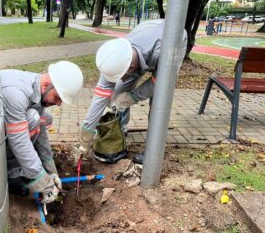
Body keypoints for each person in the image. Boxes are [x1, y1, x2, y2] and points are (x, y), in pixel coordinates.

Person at [72, 19, 187, 165]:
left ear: (131, 67)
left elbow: (160, 82)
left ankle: (153, 151)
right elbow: (100, 97)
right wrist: (85, 136)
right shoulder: (115, 58)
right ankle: (121, 130)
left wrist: (131, 98)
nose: (118, 78)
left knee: (158, 101)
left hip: (172, 41)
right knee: (118, 93)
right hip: (145, 32)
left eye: (120, 75)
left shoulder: (163, 52)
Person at [0, 61, 83, 203]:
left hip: (0, 127)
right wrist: (42, 181)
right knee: (32, 118)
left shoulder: (38, 88)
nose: (58, 103)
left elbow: (42, 133)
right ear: (46, 85)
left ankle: (23, 168)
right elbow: (19, 141)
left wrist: (51, 170)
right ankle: (11, 173)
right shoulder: (15, 93)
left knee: (45, 118)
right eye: (57, 97)